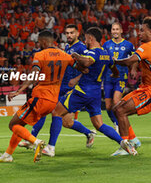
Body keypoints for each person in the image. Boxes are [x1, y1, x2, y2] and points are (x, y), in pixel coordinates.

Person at [0, 31, 85, 163]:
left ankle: (36, 142)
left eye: (39, 42)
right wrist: (79, 76)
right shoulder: (65, 55)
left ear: (44, 42)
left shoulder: (40, 55)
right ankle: (7, 155)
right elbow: (83, 69)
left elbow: (34, 75)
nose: (38, 45)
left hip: (40, 97)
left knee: (13, 124)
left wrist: (19, 91)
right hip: (53, 101)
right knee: (20, 125)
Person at [51, 27, 137, 156]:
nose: (85, 41)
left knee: (56, 112)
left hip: (83, 90)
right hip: (96, 93)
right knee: (99, 124)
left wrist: (76, 56)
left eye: (85, 38)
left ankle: (50, 147)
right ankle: (123, 143)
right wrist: (113, 75)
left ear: (90, 38)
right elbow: (115, 70)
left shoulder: (93, 53)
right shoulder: (107, 54)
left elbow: (86, 62)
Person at [19, 24, 96, 156]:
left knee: (64, 120)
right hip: (60, 86)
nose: (69, 35)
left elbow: (88, 67)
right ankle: (33, 139)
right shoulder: (66, 48)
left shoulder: (82, 48)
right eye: (67, 33)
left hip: (71, 88)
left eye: (72, 33)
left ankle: (87, 133)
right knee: (45, 110)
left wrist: (77, 79)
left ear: (77, 34)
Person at [111, 16, 151, 156]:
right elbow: (138, 60)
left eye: (142, 31)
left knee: (120, 110)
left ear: (150, 32)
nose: (139, 33)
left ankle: (126, 146)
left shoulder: (148, 46)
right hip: (147, 88)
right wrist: (135, 68)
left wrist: (113, 60)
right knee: (117, 109)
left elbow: (130, 60)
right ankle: (133, 140)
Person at [103, 22, 141, 156]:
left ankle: (125, 136)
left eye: (117, 29)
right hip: (108, 78)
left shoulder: (128, 45)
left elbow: (135, 59)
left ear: (121, 31)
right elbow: (103, 59)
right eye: (113, 29)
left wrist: (134, 69)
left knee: (116, 103)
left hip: (121, 77)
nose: (115, 31)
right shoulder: (106, 44)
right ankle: (118, 125)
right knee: (108, 106)